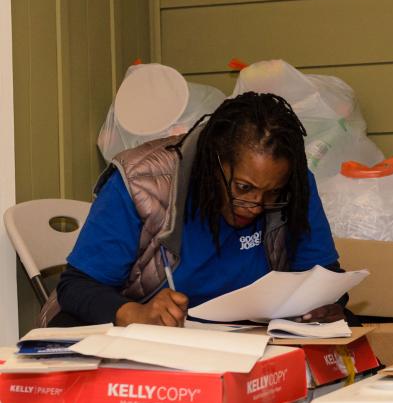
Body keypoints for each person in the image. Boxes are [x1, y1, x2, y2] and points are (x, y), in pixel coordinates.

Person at [42, 92, 346, 327]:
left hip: (236, 340)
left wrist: (325, 306)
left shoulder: (293, 184)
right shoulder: (141, 182)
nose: (256, 205)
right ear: (213, 162)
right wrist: (136, 314)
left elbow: (323, 276)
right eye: (243, 187)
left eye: (271, 193)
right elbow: (76, 287)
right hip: (131, 337)